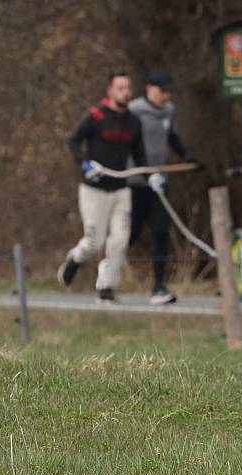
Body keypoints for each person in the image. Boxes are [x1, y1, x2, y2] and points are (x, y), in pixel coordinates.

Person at [58, 72, 147, 303]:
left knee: (119, 239)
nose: (125, 92)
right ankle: (75, 259)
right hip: (94, 190)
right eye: (120, 88)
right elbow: (73, 140)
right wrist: (84, 163)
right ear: (110, 91)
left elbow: (140, 157)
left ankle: (106, 286)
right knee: (94, 241)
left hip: (121, 190)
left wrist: (151, 176)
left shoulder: (134, 122)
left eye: (128, 88)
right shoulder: (95, 116)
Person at [126, 70, 193, 305]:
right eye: (161, 91)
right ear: (149, 89)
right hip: (135, 182)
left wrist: (186, 155)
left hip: (158, 182)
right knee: (129, 234)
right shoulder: (134, 110)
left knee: (161, 231)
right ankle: (105, 279)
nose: (165, 95)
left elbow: (170, 136)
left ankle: (158, 286)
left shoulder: (168, 110)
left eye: (168, 91)